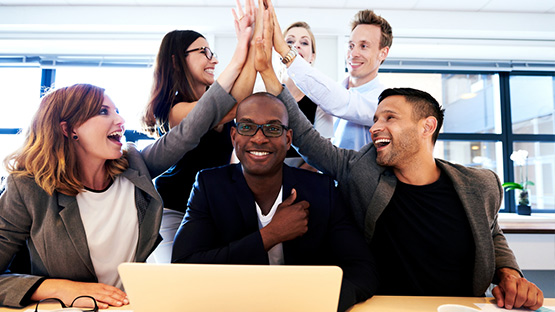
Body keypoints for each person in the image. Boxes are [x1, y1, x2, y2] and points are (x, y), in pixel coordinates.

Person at [256, 3, 543, 309]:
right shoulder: (361, 174)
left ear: (426, 127)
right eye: (375, 119)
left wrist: (509, 273)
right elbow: (306, 137)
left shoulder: (480, 184)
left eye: (388, 119)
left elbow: (490, 231)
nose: (375, 127)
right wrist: (268, 72)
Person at [0, 6, 251, 308]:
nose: (119, 120)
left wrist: (244, 53)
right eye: (104, 112)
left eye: (117, 110)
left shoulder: (135, 164)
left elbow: (190, 130)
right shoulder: (27, 189)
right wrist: (60, 288)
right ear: (69, 129)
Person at [172, 10, 378, 312]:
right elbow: (184, 267)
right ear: (233, 138)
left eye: (272, 129)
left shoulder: (322, 191)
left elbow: (363, 272)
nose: (258, 138)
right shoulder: (210, 187)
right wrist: (270, 235)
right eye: (247, 127)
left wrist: (310, 305)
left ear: (288, 139)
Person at [141, 0, 256, 262]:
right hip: (173, 210)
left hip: (211, 208)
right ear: (177, 60)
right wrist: (243, 50)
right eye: (203, 51)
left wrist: (252, 43)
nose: (213, 59)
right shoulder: (173, 109)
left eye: (211, 51)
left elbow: (240, 101)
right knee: (178, 282)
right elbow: (217, 111)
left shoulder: (222, 108)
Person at [272, 6, 392, 151]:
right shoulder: (332, 92)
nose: (353, 54)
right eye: (351, 45)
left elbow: (342, 102)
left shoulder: (384, 101)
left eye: (364, 46)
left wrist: (286, 52)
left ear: (383, 53)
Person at [280, 21, 333, 170]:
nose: (296, 45)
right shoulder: (266, 97)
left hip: (306, 179)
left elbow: (322, 156)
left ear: (312, 57)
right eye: (289, 41)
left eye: (304, 42)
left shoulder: (321, 103)